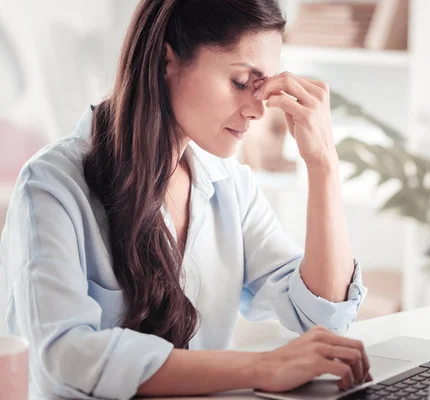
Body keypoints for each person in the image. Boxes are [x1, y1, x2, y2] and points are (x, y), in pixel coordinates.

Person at [0, 0, 371, 399]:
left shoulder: (231, 187)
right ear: (166, 61)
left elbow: (322, 315)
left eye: (263, 87)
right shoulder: (53, 186)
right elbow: (65, 358)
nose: (257, 110)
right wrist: (262, 366)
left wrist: (323, 163)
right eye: (242, 82)